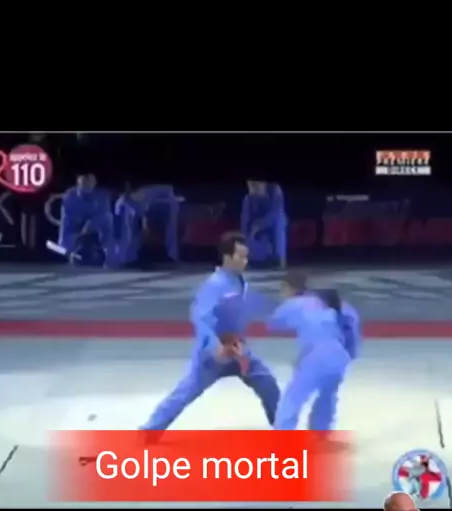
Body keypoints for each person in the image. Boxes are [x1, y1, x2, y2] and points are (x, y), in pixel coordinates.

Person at [139, 231, 280, 434]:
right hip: (214, 355)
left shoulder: (240, 282)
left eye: (246, 256)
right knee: (186, 391)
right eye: (240, 256)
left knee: (266, 381)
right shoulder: (214, 285)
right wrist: (215, 347)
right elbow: (202, 319)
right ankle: (150, 429)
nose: (245, 261)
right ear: (227, 256)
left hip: (238, 350)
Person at [266, 271, 360, 430]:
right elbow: (352, 327)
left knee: (293, 399)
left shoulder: (296, 304)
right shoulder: (339, 305)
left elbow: (273, 323)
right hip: (339, 357)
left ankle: (283, 436)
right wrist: (350, 354)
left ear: (287, 288)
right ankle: (320, 433)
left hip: (315, 356)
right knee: (327, 397)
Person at [59, 174, 114, 267]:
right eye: (84, 182)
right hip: (77, 232)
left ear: (94, 183)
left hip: (95, 233)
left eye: (90, 182)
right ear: (78, 182)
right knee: (69, 241)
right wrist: (66, 246)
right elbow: (66, 222)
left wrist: (90, 226)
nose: (87, 184)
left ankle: (105, 255)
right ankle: (75, 254)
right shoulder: (69, 197)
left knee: (108, 218)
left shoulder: (102, 196)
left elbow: (103, 216)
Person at [240, 180, 287, 267]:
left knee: (280, 221)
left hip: (271, 222)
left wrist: (259, 225)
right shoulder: (248, 199)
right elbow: (245, 223)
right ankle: (248, 255)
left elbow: (276, 213)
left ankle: (278, 258)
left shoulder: (275, 192)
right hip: (256, 226)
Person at [113, 182, 145, 266]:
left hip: (133, 230)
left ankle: (130, 259)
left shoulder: (136, 203)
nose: (142, 195)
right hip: (123, 231)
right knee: (127, 236)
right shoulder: (124, 203)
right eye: (140, 193)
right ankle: (125, 259)